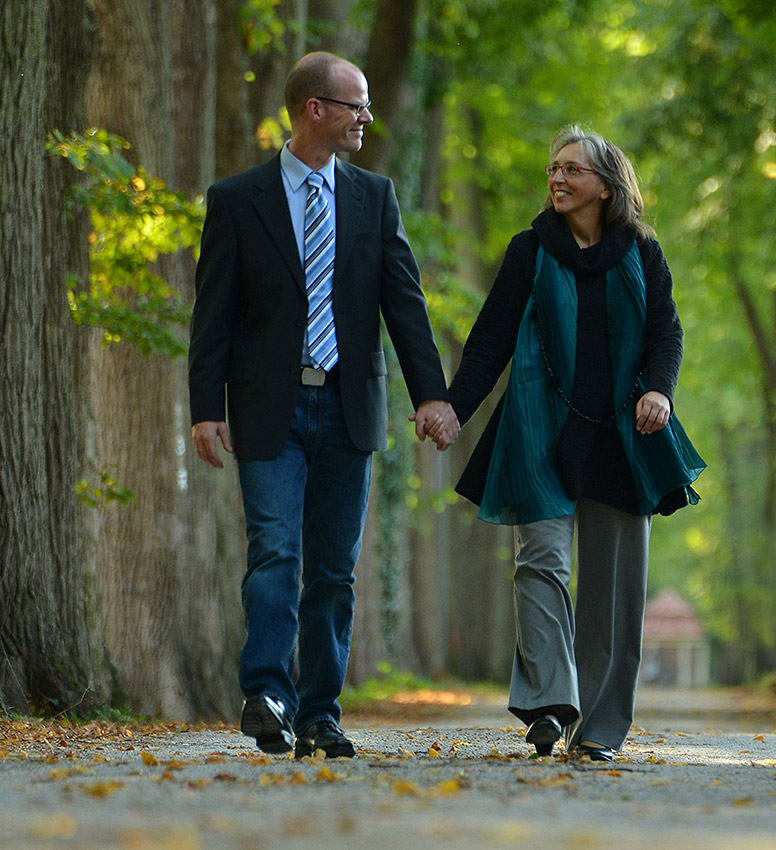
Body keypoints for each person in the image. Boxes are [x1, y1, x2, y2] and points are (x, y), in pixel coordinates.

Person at [188, 51, 458, 759]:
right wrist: (203, 406)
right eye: (355, 106)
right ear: (316, 109)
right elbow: (211, 316)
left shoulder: (374, 197)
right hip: (266, 409)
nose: (366, 118)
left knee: (334, 568)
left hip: (349, 407)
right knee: (274, 550)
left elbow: (404, 304)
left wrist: (431, 394)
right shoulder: (238, 200)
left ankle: (318, 713)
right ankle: (266, 694)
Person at [432, 125, 704, 761]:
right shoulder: (529, 251)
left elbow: (667, 332)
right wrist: (453, 408)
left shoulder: (641, 251)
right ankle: (554, 703)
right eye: (553, 168)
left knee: (613, 591)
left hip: (622, 433)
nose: (557, 178)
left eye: (572, 169)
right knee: (541, 563)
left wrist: (658, 391)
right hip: (539, 426)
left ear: (605, 186)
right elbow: (490, 340)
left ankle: (600, 731)